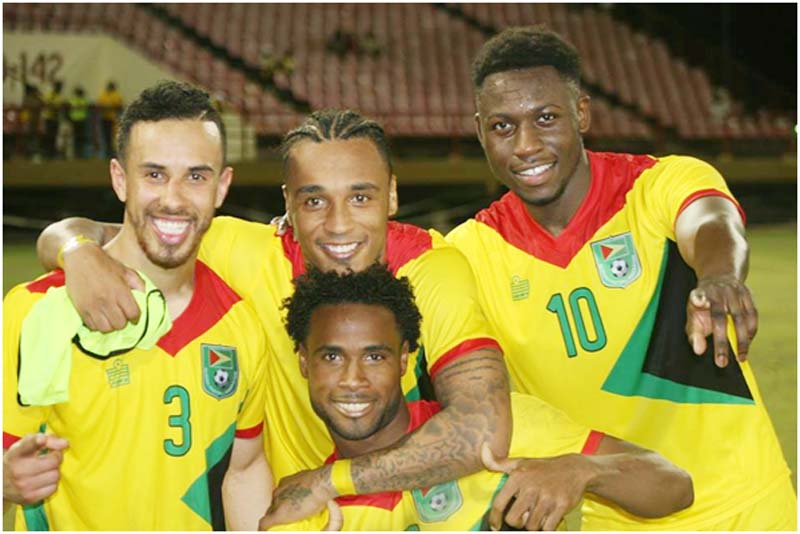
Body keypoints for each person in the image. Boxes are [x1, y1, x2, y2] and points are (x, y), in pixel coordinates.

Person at [35, 109, 512, 527]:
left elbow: (484, 428)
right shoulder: (238, 251)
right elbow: (86, 233)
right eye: (314, 200)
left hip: (398, 511)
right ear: (287, 203)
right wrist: (77, 254)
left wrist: (328, 481)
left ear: (391, 196)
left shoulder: (430, 267)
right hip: (278, 519)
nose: (340, 223)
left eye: (361, 198)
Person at [445, 26, 796, 530]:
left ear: (581, 114)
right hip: (610, 516)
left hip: (744, 505)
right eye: (502, 126)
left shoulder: (654, 185)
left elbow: (713, 219)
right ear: (480, 131)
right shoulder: (468, 253)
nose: (525, 145)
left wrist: (720, 277)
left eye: (546, 119)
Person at [3, 81, 270, 530]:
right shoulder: (36, 313)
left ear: (222, 187)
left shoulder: (240, 325)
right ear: (119, 179)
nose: (174, 198)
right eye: (154, 174)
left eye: (196, 176)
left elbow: (243, 472)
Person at [268, 264, 693, 531]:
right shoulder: (306, 514)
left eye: (374, 356)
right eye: (331, 357)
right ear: (304, 362)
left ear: (404, 360)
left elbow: (673, 485)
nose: (353, 379)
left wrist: (583, 471)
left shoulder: (506, 429)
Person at [96, 80, 124, 157]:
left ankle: (113, 152)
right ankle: (107, 152)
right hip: (104, 118)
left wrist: (110, 107)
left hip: (113, 119)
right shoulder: (103, 94)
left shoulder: (116, 95)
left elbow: (119, 106)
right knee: (105, 136)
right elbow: (99, 105)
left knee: (113, 137)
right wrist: (105, 107)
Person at [42, 80, 65, 159]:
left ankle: (51, 153)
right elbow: (45, 103)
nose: (59, 89)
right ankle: (47, 153)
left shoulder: (59, 97)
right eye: (58, 87)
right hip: (49, 118)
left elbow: (58, 107)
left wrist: (52, 105)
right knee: (48, 136)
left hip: (55, 119)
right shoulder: (49, 95)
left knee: (54, 136)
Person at [67, 86, 89, 159]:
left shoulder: (73, 100)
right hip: (80, 120)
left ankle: (78, 153)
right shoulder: (83, 100)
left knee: (77, 137)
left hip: (76, 120)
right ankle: (79, 153)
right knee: (80, 137)